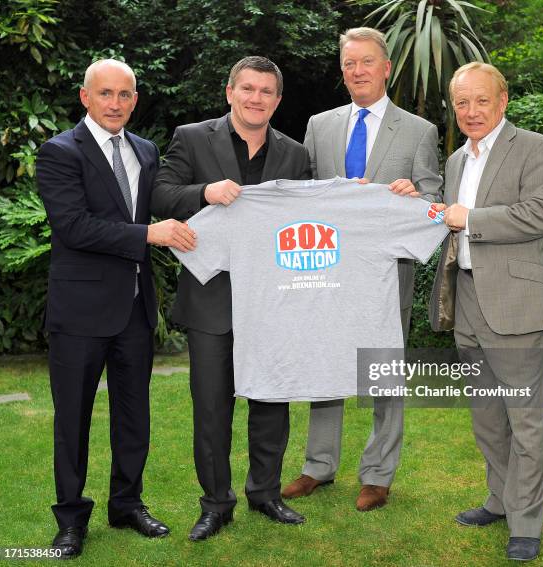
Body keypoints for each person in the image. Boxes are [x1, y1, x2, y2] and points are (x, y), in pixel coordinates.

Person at [37, 59, 196, 559]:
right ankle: (70, 520)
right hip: (79, 312)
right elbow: (74, 227)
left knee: (134, 417)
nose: (115, 103)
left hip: (134, 308)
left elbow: (165, 204)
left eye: (125, 95)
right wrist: (150, 235)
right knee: (73, 421)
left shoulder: (146, 151)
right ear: (85, 97)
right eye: (105, 94)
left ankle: (127, 504)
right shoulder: (60, 152)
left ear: (135, 99)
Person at [282, 27, 442, 512]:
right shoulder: (319, 125)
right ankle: (318, 466)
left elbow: (435, 199)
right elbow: (303, 195)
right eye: (349, 63)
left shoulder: (418, 130)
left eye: (366, 62)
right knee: (324, 364)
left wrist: (417, 198)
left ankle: (377, 474)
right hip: (328, 271)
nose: (357, 71)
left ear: (386, 67)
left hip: (386, 272)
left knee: (383, 371)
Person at [151, 56, 310, 540]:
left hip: (273, 302)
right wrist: (204, 191)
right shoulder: (193, 137)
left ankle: (266, 493)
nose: (255, 98)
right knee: (212, 408)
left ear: (277, 101)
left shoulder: (296, 155)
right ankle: (216, 504)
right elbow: (159, 194)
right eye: (247, 88)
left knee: (270, 403)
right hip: (211, 302)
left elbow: (310, 219)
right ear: (230, 92)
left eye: (266, 91)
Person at [429, 62, 543, 562]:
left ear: (503, 101)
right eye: (461, 103)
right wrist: (416, 202)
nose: (470, 111)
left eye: (481, 100)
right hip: (466, 301)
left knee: (526, 419)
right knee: (487, 416)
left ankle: (527, 521)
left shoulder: (534, 147)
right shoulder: (457, 161)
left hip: (515, 305)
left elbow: (541, 213)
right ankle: (500, 499)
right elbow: (446, 219)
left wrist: (472, 219)